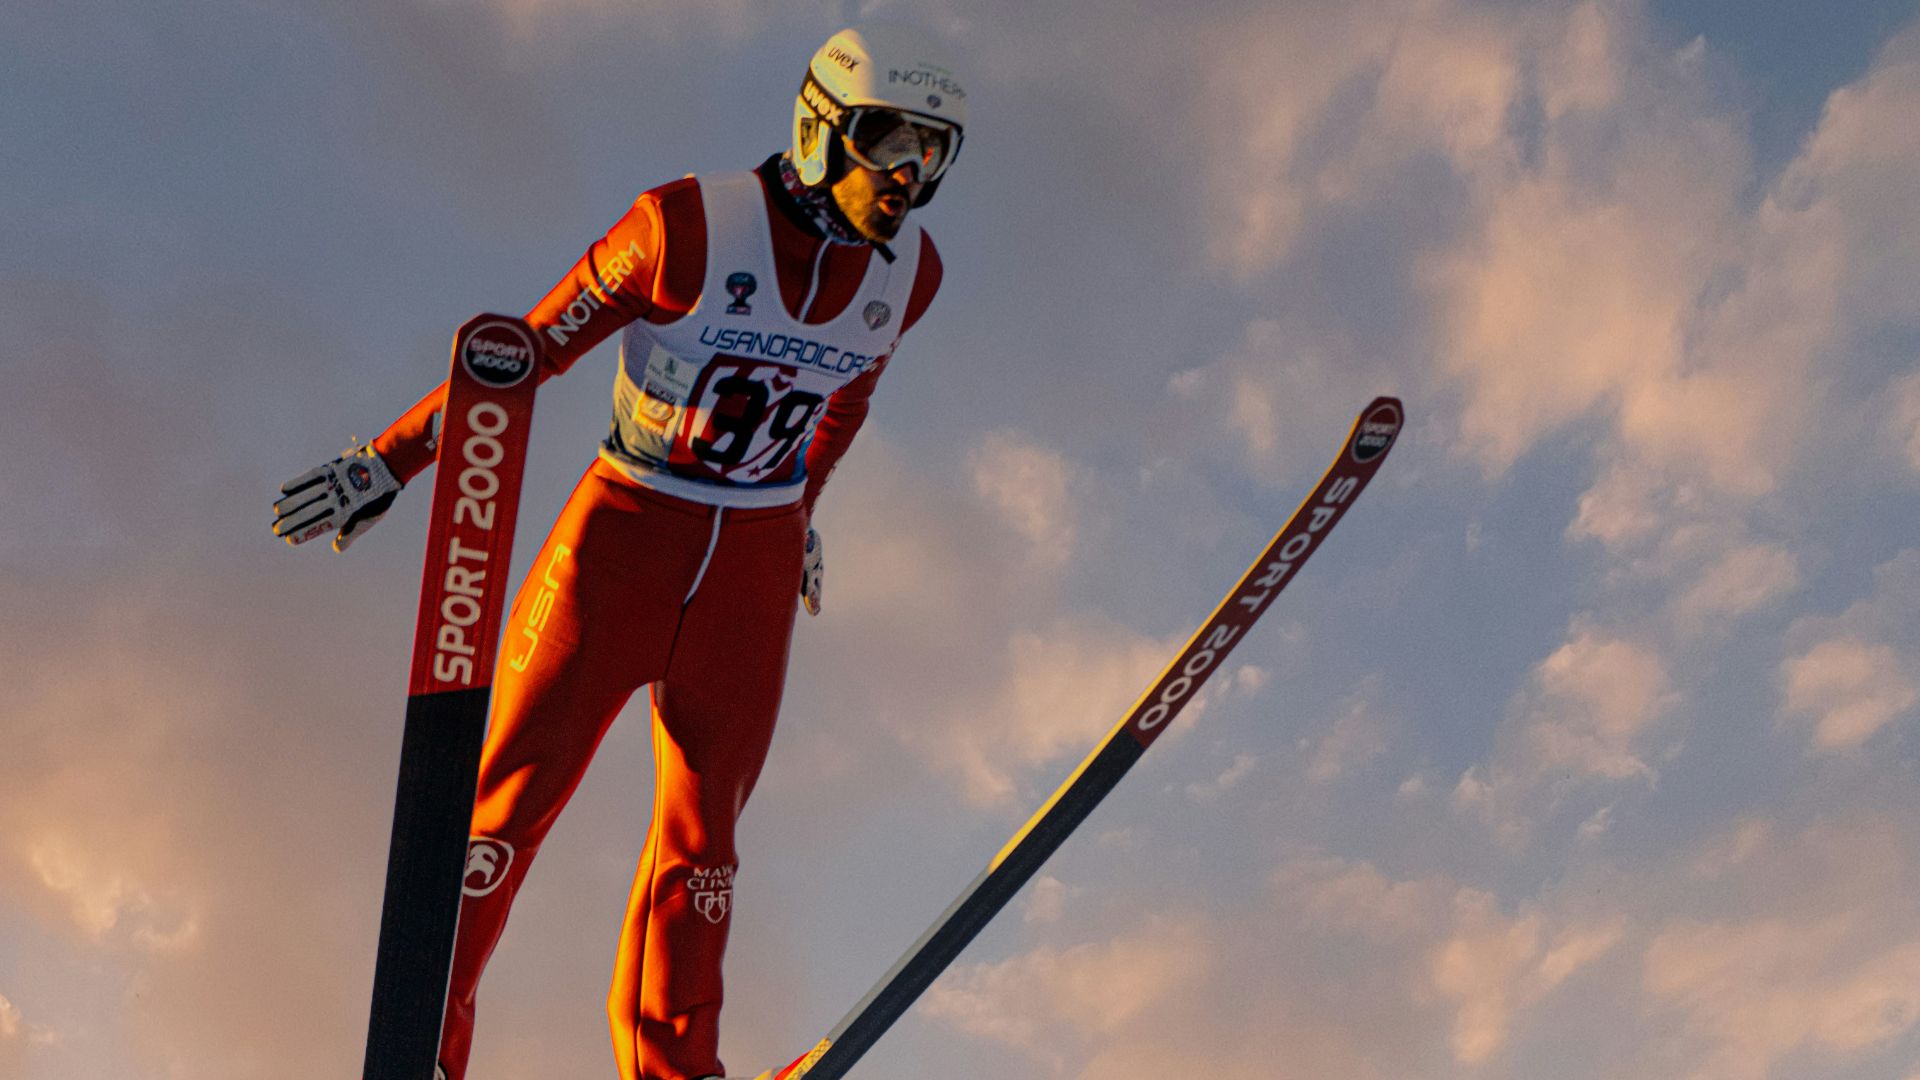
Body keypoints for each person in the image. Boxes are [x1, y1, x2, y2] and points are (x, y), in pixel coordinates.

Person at [271, 24, 965, 1080]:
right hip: (624, 537)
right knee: (502, 811)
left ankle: (678, 1074)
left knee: (706, 852)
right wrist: (391, 462)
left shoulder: (910, 275)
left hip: (753, 564)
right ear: (821, 127)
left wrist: (803, 511)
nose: (909, 176)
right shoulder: (685, 226)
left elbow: (845, 402)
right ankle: (428, 1057)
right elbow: (526, 353)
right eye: (886, 140)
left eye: (935, 150)